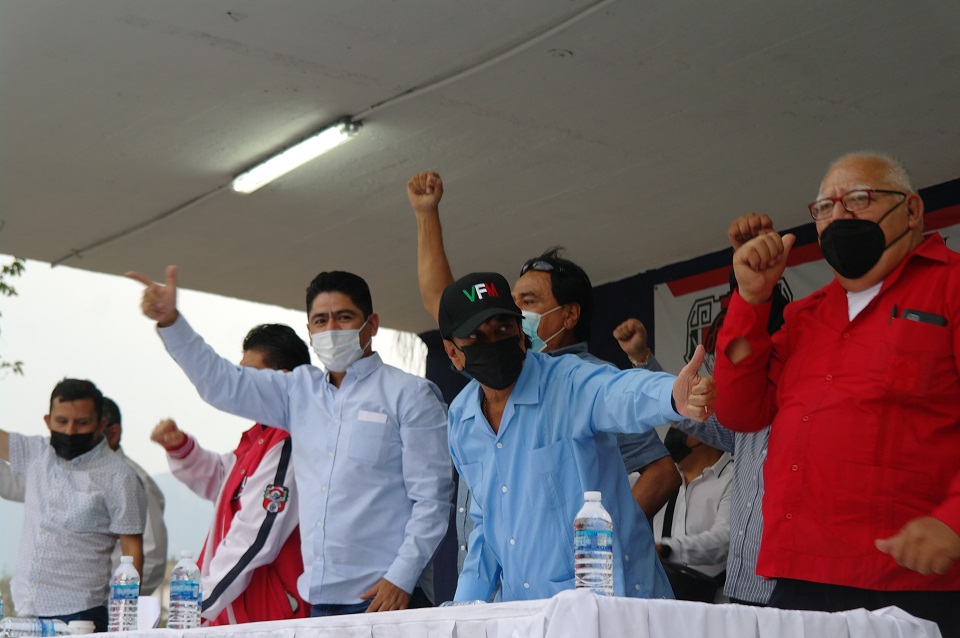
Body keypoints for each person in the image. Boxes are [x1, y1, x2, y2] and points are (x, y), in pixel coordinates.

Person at [714, 152, 960, 634]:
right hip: (797, 579)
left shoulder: (951, 286)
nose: (839, 216)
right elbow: (740, 411)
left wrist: (954, 520)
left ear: (912, 210)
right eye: (825, 207)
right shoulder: (805, 315)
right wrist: (751, 299)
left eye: (859, 199)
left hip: (913, 579)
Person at [127, 267, 452, 616]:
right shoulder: (298, 391)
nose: (331, 329)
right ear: (309, 332)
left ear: (371, 324)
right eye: (321, 320)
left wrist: (401, 578)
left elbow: (432, 499)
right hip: (320, 600)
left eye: (344, 317)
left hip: (388, 597)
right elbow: (222, 382)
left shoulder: (410, 394)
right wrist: (171, 322)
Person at [406, 171, 680, 571]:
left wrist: (595, 547)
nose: (515, 314)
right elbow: (444, 304)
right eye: (514, 302)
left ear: (569, 314)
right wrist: (426, 215)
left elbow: (662, 472)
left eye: (529, 301)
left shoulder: (586, 380)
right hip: (499, 581)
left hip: (574, 585)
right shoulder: (495, 377)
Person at [437, 271, 715, 602]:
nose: (494, 342)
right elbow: (487, 523)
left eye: (503, 328)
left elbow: (618, 391)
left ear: (521, 332)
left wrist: (671, 396)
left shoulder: (568, 381)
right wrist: (466, 607)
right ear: (453, 353)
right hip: (528, 613)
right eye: (476, 337)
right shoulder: (462, 417)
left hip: (609, 605)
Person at [151, 323, 312, 625]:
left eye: (249, 375)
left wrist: (196, 605)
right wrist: (182, 449)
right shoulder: (259, 438)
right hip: (239, 613)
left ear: (282, 379)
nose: (241, 384)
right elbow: (222, 482)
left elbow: (253, 536)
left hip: (270, 619)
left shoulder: (289, 440)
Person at [0, 379, 146, 632]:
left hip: (81, 614)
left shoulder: (120, 477)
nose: (69, 431)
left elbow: (132, 548)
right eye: (61, 421)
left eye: (82, 423)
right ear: (48, 421)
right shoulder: (35, 452)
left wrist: (123, 618)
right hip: (26, 609)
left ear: (100, 424)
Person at [652, 428, 733, 602]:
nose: (674, 430)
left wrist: (666, 549)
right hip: (661, 598)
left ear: (709, 430)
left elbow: (724, 542)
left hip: (712, 603)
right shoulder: (657, 478)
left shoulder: (733, 480)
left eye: (684, 423)